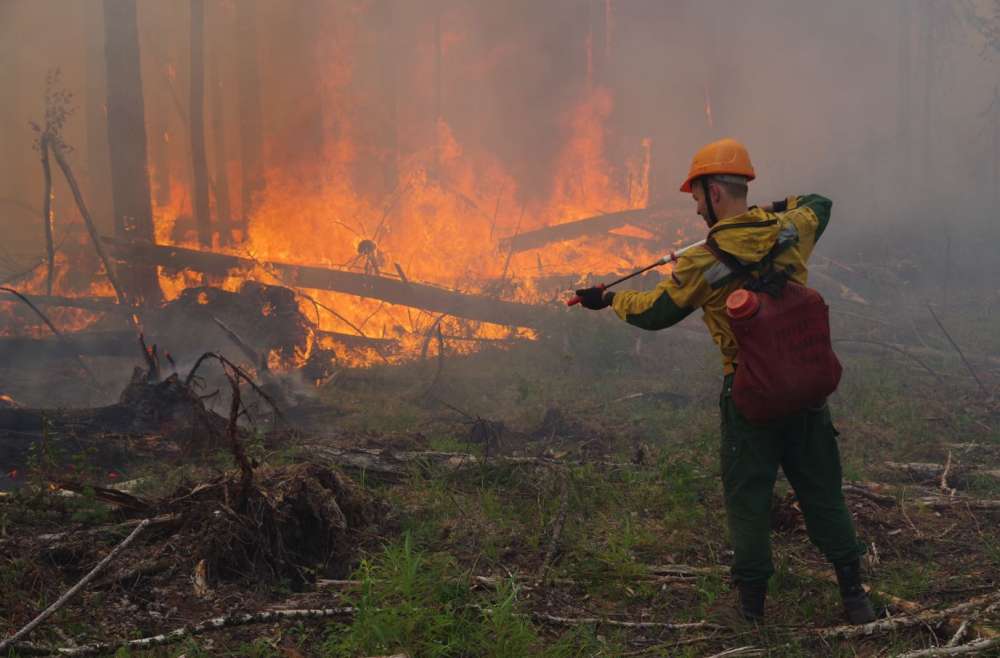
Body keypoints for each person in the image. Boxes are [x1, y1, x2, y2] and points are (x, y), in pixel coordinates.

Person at [574, 138, 877, 625]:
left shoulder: (701, 261)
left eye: (697, 197)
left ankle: (750, 611)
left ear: (715, 192)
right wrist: (768, 209)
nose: (696, 208)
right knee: (823, 492)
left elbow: (655, 312)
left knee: (748, 498)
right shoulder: (790, 230)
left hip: (750, 397)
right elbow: (818, 202)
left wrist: (608, 300)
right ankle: (856, 598)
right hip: (806, 390)